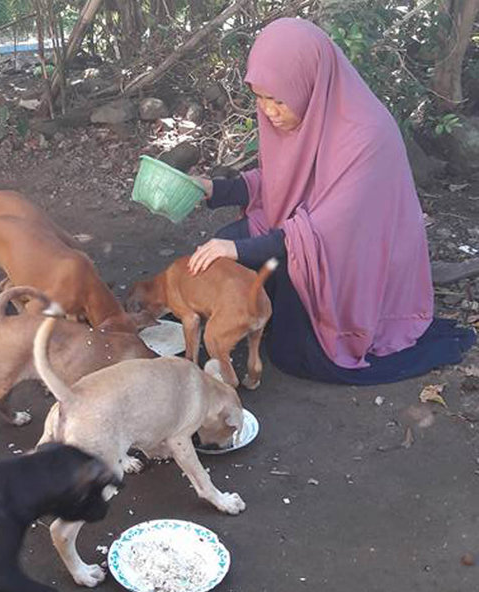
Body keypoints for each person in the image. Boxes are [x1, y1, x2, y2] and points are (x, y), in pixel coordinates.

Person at [188, 17, 475, 385]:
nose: (269, 111)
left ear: (312, 83)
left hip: (358, 260)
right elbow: (283, 184)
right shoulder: (301, 115)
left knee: (293, 343)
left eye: (278, 99)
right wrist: (214, 189)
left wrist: (238, 250)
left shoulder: (368, 135)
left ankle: (291, 327)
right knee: (230, 242)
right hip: (311, 232)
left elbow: (329, 232)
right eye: (259, 98)